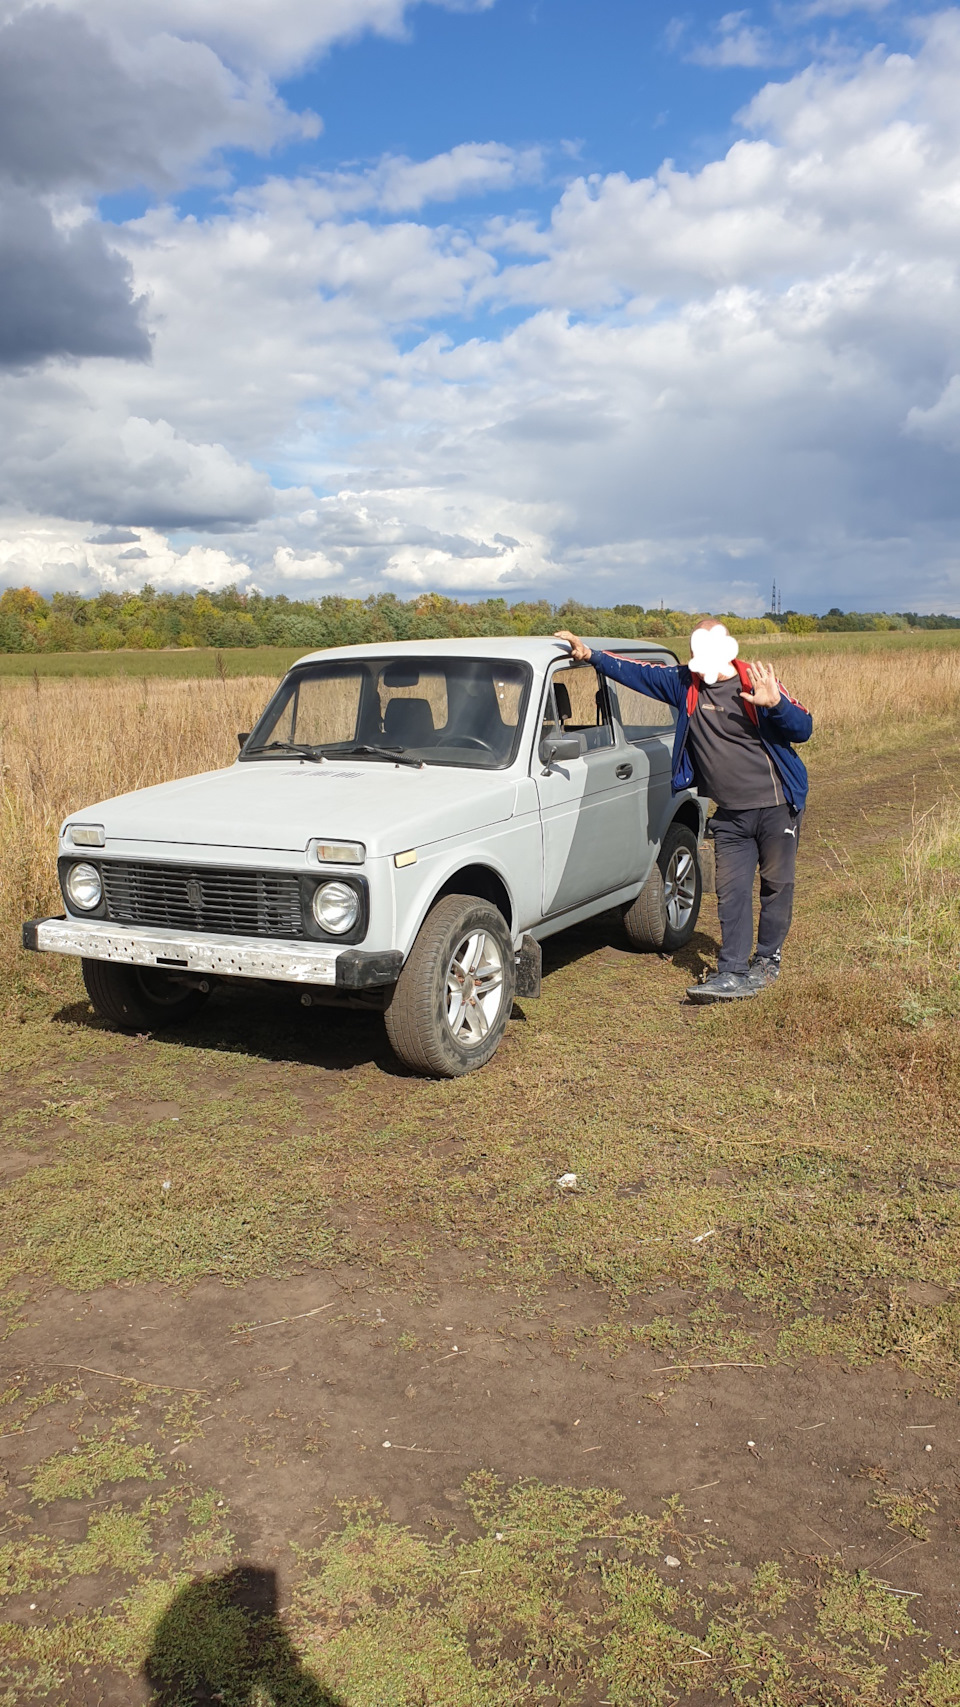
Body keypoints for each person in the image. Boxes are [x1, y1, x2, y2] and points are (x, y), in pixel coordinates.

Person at [553, 620, 813, 1003]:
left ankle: (767, 959)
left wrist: (776, 705)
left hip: (778, 807)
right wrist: (590, 654)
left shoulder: (753, 681)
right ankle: (732, 972)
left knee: (776, 887)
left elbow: (803, 727)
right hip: (731, 815)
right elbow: (637, 673)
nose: (696, 660)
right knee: (731, 891)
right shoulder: (685, 684)